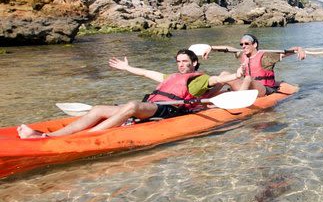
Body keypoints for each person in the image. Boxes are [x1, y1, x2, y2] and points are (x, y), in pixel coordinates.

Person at [17, 49, 239, 139]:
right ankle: (53, 136)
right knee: (98, 109)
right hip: (152, 107)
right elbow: (146, 73)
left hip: (168, 111)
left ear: (194, 63)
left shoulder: (199, 79)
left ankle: (87, 137)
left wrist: (233, 75)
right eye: (179, 62)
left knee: (132, 106)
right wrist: (127, 68)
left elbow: (217, 80)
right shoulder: (169, 77)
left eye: (185, 62)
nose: (181, 65)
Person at [197, 34, 305, 97]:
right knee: (224, 74)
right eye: (242, 44)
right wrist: (211, 48)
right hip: (247, 87)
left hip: (265, 89)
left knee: (248, 78)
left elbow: (285, 53)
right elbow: (228, 49)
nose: (243, 46)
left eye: (246, 44)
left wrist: (298, 49)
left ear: (254, 45)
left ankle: (239, 100)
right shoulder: (242, 55)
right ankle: (206, 97)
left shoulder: (266, 57)